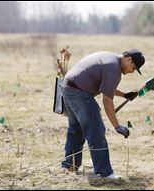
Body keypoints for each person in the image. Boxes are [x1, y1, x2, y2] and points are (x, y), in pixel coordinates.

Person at [61, 49, 145, 179]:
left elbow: (105, 85)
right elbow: (107, 99)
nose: (131, 72)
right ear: (129, 59)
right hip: (80, 93)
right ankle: (104, 172)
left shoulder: (110, 59)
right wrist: (117, 126)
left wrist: (124, 95)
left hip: (68, 87)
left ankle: (69, 166)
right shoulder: (114, 68)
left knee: (76, 129)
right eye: (133, 68)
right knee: (96, 130)